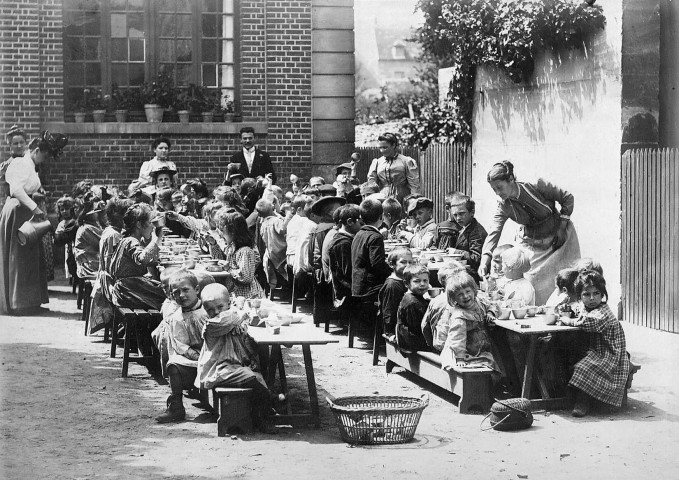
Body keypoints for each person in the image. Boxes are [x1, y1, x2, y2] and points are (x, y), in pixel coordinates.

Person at [478, 161, 581, 305]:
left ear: (511, 179)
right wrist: (485, 260)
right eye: (494, 190)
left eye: (500, 187)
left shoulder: (537, 186)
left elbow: (567, 198)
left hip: (559, 239)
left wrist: (562, 227)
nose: (498, 193)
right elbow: (494, 231)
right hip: (532, 243)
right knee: (529, 282)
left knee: (565, 281)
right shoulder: (504, 206)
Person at [0, 130, 68, 314]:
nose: (43, 160)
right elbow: (16, 189)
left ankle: (28, 302)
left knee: (29, 257)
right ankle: (19, 304)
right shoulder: (22, 163)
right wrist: (35, 207)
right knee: (20, 257)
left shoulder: (29, 164)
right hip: (18, 210)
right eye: (43, 156)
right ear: (36, 150)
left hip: (23, 210)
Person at [196, 283, 276, 432]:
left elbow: (241, 337)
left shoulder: (232, 320)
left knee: (258, 373)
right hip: (218, 371)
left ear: (228, 303)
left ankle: (262, 410)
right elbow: (225, 320)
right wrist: (239, 312)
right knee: (252, 377)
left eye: (220, 307)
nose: (216, 312)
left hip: (233, 367)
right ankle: (269, 406)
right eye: (210, 310)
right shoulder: (211, 326)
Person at [559, 270, 630, 417]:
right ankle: (573, 396)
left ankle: (583, 402)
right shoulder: (586, 307)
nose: (592, 298)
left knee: (584, 367)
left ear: (602, 294)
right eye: (586, 294)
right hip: (597, 350)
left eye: (596, 293)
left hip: (609, 354)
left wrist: (567, 320)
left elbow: (587, 322)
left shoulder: (603, 312)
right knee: (566, 354)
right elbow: (581, 312)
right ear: (579, 296)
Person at [156, 270, 209, 423]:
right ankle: (176, 406)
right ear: (172, 296)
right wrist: (197, 356)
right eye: (176, 293)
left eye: (186, 290)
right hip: (194, 358)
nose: (182, 295)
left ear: (197, 290)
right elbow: (180, 346)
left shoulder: (209, 309)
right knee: (173, 365)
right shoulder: (176, 318)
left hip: (215, 354)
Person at [434, 271, 500, 373]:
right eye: (460, 294)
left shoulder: (479, 301)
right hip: (467, 348)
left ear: (474, 290)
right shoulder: (460, 317)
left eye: (468, 291)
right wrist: (460, 357)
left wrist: (490, 313)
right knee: (487, 362)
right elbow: (457, 338)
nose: (465, 296)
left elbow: (490, 304)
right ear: (453, 298)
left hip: (482, 342)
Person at [88, 197, 134, 334]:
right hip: (111, 283)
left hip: (106, 278)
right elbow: (115, 267)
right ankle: (129, 329)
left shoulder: (109, 230)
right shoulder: (115, 235)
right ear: (118, 216)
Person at [109, 203, 166, 311]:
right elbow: (142, 258)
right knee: (168, 296)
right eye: (151, 223)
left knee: (163, 291)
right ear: (139, 225)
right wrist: (155, 239)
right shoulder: (131, 241)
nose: (153, 227)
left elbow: (149, 260)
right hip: (128, 292)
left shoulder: (128, 239)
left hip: (128, 289)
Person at [351, 199, 392, 331]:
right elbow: (377, 265)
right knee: (397, 287)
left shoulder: (359, 234)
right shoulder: (375, 236)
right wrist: (394, 271)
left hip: (357, 285)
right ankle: (388, 331)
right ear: (381, 217)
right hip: (368, 289)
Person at [216, 209, 265, 299]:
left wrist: (229, 269)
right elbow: (218, 258)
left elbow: (245, 278)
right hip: (236, 292)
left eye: (223, 231)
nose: (222, 235)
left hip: (247, 295)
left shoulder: (245, 251)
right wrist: (213, 244)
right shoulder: (233, 247)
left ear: (233, 232)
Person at [327, 204, 363, 312]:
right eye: (361, 223)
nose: (363, 226)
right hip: (345, 292)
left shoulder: (345, 239)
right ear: (350, 222)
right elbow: (348, 273)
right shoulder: (342, 243)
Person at [367, 133, 420, 204]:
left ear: (393, 145)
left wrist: (413, 202)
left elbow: (414, 185)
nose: (382, 150)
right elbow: (372, 183)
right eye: (380, 148)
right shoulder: (377, 162)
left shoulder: (406, 161)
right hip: (383, 198)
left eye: (385, 147)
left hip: (403, 197)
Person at [445, 193, 487, 282]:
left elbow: (477, 258)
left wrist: (456, 252)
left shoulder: (476, 231)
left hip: (473, 278)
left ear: (472, 212)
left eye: (461, 214)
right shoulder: (465, 227)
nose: (458, 218)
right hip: (464, 274)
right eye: (455, 215)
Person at [256, 198, 292, 290]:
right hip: (281, 252)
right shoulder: (275, 221)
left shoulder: (263, 223)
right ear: (272, 208)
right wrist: (288, 215)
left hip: (271, 253)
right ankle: (288, 286)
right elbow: (282, 229)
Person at [378, 247, 413, 338]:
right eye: (403, 262)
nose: (408, 265)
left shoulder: (406, 280)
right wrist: (390, 333)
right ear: (391, 264)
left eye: (410, 262)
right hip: (399, 329)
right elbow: (388, 312)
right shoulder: (392, 285)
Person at [395, 264, 431, 352]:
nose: (422, 284)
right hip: (412, 343)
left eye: (425, 280)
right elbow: (418, 329)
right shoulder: (412, 303)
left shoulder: (414, 297)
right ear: (406, 283)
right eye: (417, 281)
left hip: (410, 338)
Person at [74, 199, 104, 279]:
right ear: (88, 214)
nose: (99, 214)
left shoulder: (93, 226)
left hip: (93, 262)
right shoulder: (86, 229)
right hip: (88, 266)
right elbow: (102, 244)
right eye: (96, 212)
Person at [1, 125, 27, 209]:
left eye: (21, 142)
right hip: (14, 206)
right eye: (15, 143)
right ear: (10, 146)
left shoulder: (30, 162)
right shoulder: (6, 166)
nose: (19, 146)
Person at [53, 195, 78, 281]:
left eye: (67, 209)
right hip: (69, 247)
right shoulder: (62, 223)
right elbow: (58, 236)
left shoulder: (75, 221)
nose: (65, 211)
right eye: (62, 209)